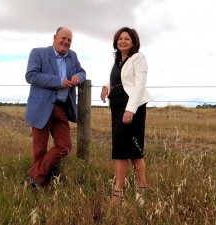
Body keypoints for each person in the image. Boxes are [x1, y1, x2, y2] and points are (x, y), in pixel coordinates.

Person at [24, 27, 86, 189]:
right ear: (55, 37)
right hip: (41, 107)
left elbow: (82, 72)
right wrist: (58, 81)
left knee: (64, 146)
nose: (66, 42)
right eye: (63, 38)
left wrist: (77, 77)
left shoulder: (73, 56)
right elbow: (31, 75)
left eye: (69, 40)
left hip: (61, 109)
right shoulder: (38, 53)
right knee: (39, 149)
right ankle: (41, 184)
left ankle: (32, 177)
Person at [100, 27, 153, 203]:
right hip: (117, 108)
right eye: (120, 38)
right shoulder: (118, 60)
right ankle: (118, 191)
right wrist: (106, 86)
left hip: (132, 108)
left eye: (127, 39)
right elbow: (117, 78)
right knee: (119, 150)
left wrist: (130, 109)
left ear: (133, 42)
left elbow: (139, 85)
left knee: (135, 150)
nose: (123, 41)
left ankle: (141, 188)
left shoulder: (138, 58)